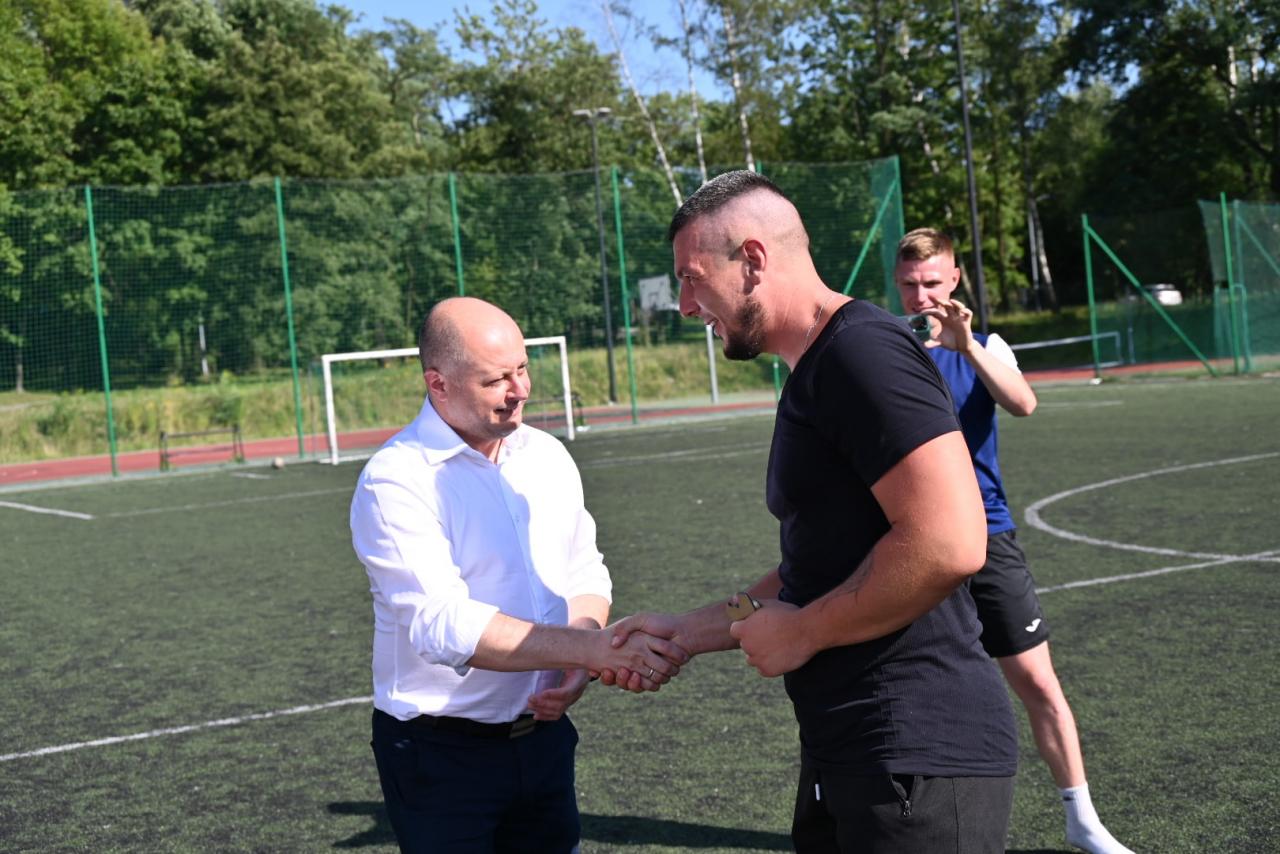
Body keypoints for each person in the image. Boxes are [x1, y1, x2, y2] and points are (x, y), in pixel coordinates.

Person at [605, 171, 1019, 852]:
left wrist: (804, 631)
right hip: (854, 747)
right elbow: (819, 565)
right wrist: (687, 631)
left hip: (914, 756)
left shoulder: (861, 352)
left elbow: (950, 541)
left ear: (753, 259)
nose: (684, 305)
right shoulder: (822, 364)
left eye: (692, 278)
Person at [349, 296, 687, 853]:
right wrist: (592, 651)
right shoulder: (395, 480)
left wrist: (580, 651)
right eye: (496, 380)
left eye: (523, 368)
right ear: (438, 384)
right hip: (440, 755)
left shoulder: (546, 455)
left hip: (544, 740)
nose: (521, 390)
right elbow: (443, 625)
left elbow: (583, 567)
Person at [895, 228, 1134, 854]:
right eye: (911, 284)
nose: (922, 296)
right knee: (907, 686)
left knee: (1038, 683)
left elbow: (1023, 403)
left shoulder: (987, 344)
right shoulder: (887, 345)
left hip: (988, 534)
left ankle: (1083, 820)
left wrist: (967, 347)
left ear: (955, 281)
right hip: (912, 542)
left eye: (933, 282)